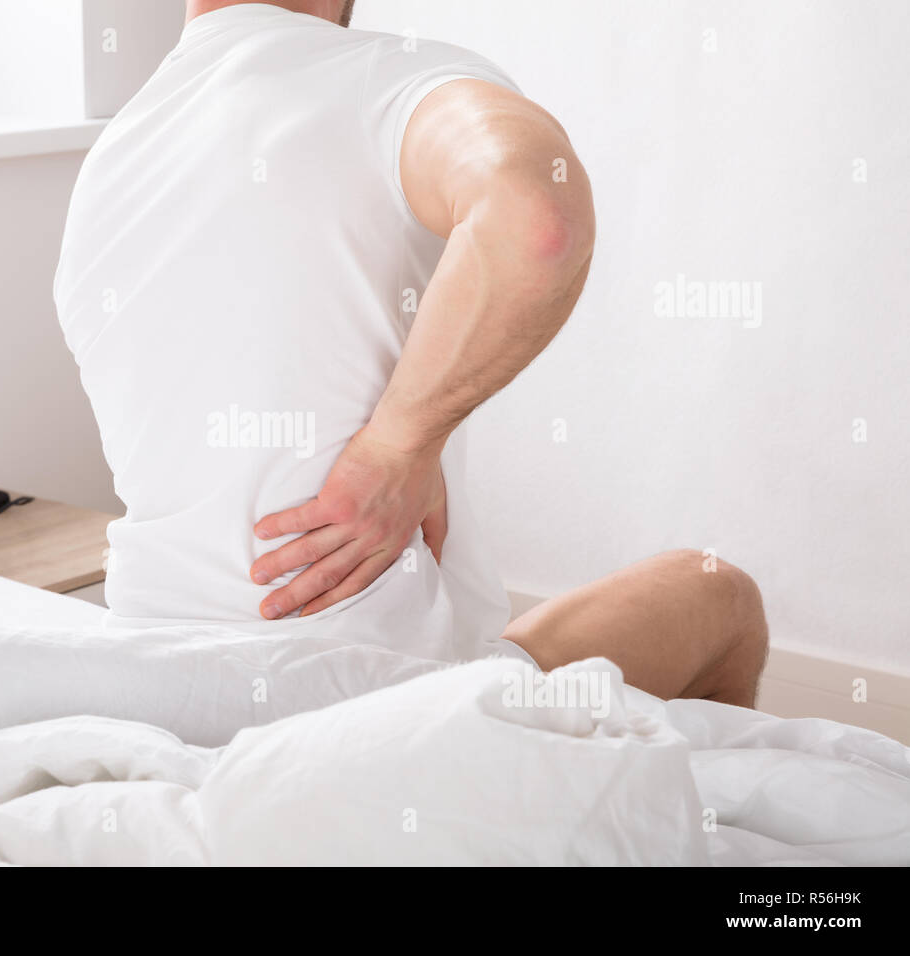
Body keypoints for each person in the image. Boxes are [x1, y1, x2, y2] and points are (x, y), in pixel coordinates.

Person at [54, 0, 767, 707]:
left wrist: (406, 444)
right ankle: (664, 806)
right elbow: (537, 219)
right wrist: (398, 445)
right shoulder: (391, 82)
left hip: (159, 682)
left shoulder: (112, 162)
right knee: (718, 592)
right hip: (385, 703)